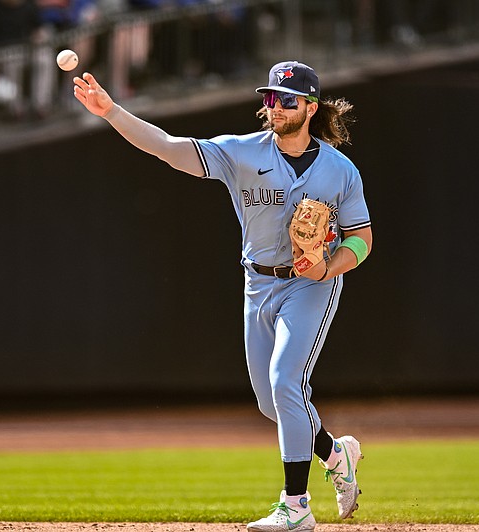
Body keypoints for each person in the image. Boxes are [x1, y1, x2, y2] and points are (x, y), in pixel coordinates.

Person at [73, 60, 373, 532]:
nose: (274, 106)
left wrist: (330, 265)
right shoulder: (240, 152)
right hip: (258, 283)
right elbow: (170, 149)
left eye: (286, 99)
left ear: (311, 107)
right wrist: (112, 112)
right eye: (270, 97)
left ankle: (295, 505)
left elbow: (361, 236)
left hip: (309, 286)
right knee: (271, 403)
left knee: (284, 381)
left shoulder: (340, 169)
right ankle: (336, 454)